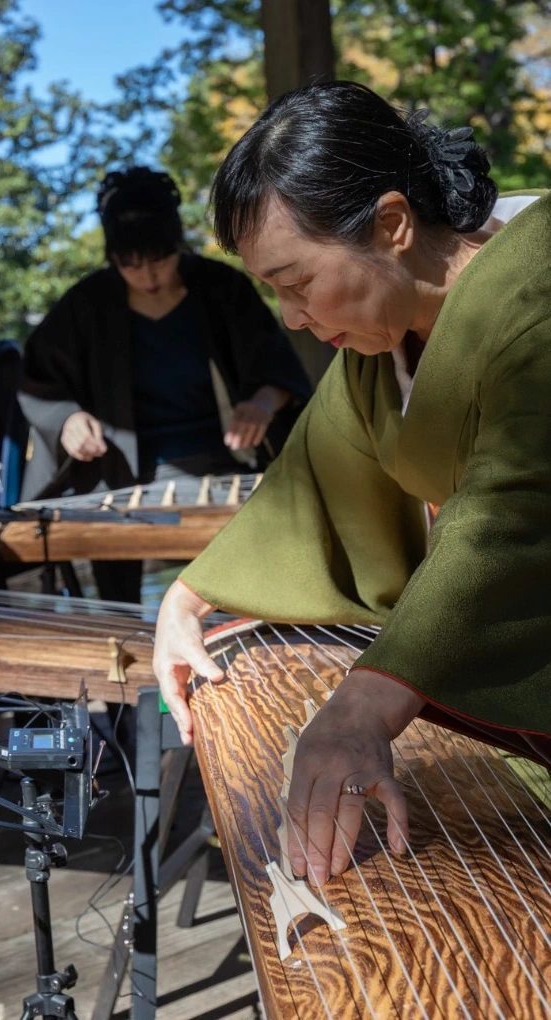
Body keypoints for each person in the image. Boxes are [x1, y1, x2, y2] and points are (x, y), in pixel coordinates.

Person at [152, 81, 551, 893]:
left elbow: (514, 513)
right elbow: (312, 478)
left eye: (298, 282)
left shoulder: (538, 295)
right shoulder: (382, 345)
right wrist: (187, 601)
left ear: (394, 224)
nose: (293, 319)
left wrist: (361, 709)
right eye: (275, 293)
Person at [18, 166, 311, 603]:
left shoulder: (221, 288)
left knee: (262, 580)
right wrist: (69, 420)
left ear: (178, 245)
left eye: (159, 260)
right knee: (116, 589)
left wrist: (263, 403)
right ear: (113, 259)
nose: (148, 277)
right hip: (119, 472)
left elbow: (277, 367)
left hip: (223, 463)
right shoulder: (86, 305)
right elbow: (39, 382)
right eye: (130, 265)